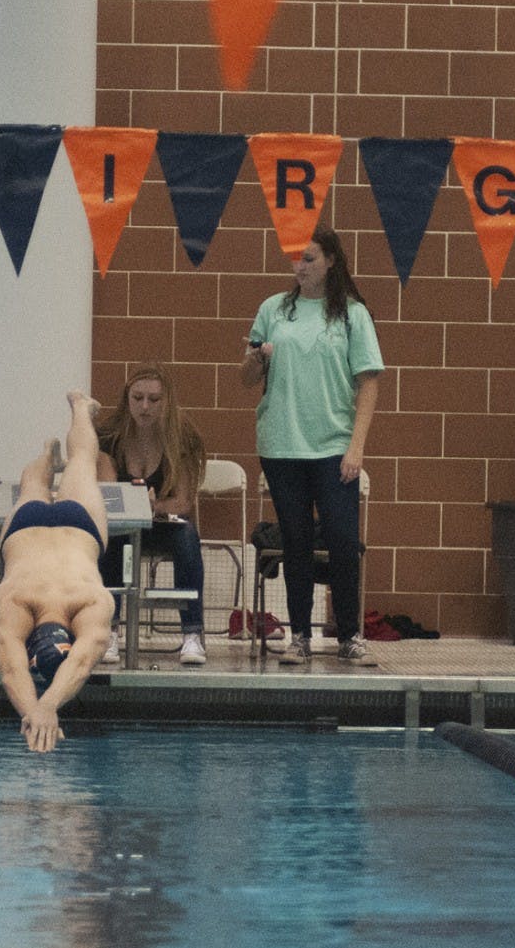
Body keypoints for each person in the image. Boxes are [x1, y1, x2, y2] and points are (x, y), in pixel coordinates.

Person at [241, 224, 383, 666]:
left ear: (331, 261)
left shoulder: (352, 315)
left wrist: (356, 448)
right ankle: (299, 635)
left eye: (309, 259)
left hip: (333, 445)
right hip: (282, 444)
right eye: (295, 259)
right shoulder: (273, 309)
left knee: (342, 539)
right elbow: (246, 379)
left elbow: (369, 383)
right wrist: (254, 359)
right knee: (296, 541)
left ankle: (349, 635)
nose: (299, 267)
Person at [0, 390, 114, 753]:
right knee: (33, 484)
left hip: (79, 528)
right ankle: (48, 453)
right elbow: (12, 667)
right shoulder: (15, 600)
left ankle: (79, 411)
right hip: (26, 530)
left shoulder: (91, 601)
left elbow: (82, 660)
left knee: (82, 463)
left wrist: (40, 709)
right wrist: (41, 708)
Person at [96, 361, 208, 665]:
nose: (145, 407)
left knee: (188, 535)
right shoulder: (109, 437)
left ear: (167, 401)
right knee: (109, 537)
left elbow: (183, 502)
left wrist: (153, 507)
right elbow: (108, 496)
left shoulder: (183, 437)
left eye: (154, 400)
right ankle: (108, 630)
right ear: (127, 399)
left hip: (162, 524)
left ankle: (192, 633)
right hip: (124, 525)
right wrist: (134, 505)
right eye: (138, 398)